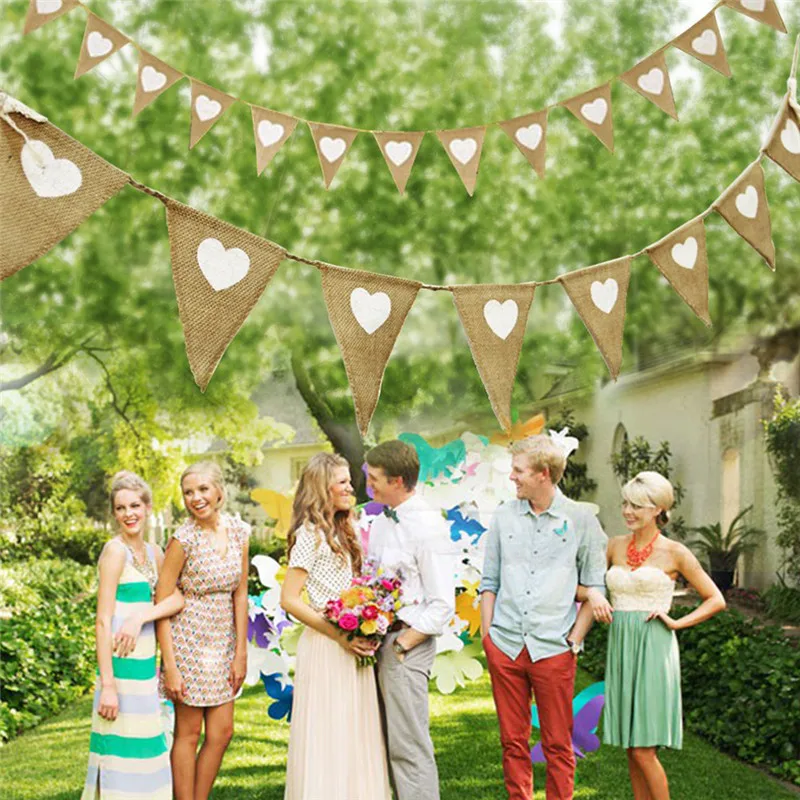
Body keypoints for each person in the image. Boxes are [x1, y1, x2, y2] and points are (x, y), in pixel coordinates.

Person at [575, 471, 726, 800]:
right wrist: (595, 596)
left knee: (644, 750)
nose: (628, 511)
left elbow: (716, 599)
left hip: (654, 648)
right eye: (626, 504)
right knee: (631, 748)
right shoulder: (613, 546)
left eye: (638, 506)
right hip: (622, 648)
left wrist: (676, 623)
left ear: (658, 509)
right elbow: (577, 588)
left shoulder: (675, 552)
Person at [479, 434, 608, 800]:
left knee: (557, 743)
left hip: (554, 648)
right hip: (505, 645)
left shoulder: (581, 520)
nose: (512, 477)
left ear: (544, 474)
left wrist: (574, 641)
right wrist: (489, 638)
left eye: (518, 471)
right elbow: (489, 582)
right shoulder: (504, 516)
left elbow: (594, 586)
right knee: (512, 742)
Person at [280, 452, 391, 800]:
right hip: (327, 646)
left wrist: (365, 621)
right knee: (330, 729)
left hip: (352, 643)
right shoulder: (309, 534)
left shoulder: (347, 530)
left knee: (355, 729)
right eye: (342, 482)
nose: (350, 487)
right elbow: (290, 599)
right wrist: (339, 635)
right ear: (322, 488)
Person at [81, 471, 184, 800]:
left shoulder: (154, 554)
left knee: (148, 754)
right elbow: (102, 621)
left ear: (148, 507)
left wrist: (141, 616)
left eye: (135, 505)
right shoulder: (114, 553)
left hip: (144, 673)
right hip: (119, 671)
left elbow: (177, 598)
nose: (129, 514)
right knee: (118, 759)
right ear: (114, 513)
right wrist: (108, 686)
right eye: (121, 508)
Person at [365, 439, 456, 800]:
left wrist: (403, 644)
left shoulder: (429, 527)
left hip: (406, 645)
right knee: (384, 740)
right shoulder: (382, 522)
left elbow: (442, 603)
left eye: (375, 480)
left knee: (408, 744)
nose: (369, 485)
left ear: (398, 481)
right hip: (379, 641)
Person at [155, 461, 250, 800]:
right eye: (188, 492)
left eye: (202, 489)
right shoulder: (183, 539)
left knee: (222, 732)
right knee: (189, 733)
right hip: (187, 642)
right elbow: (162, 601)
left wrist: (240, 651)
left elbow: (240, 592)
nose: (196, 498)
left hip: (222, 644)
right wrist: (171, 666)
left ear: (219, 491)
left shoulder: (240, 532)